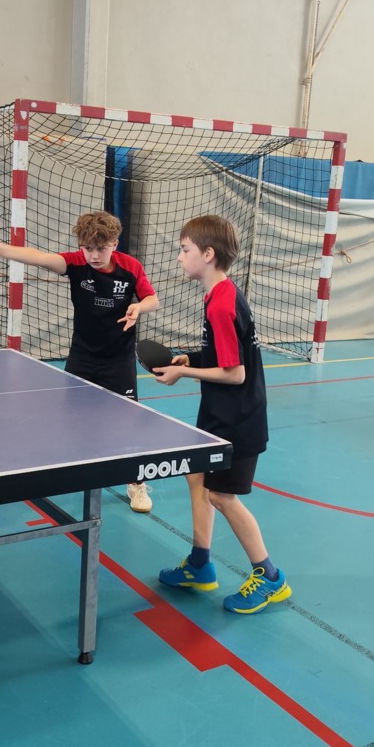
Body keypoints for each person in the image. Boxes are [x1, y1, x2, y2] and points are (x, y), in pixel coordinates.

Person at [0, 210, 159, 512]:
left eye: (101, 248)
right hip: (82, 357)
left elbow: (153, 298)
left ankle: (135, 482)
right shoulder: (75, 263)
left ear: (115, 243)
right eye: (88, 248)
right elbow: (38, 257)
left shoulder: (130, 267)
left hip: (119, 360)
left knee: (127, 424)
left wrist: (140, 307)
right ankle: (78, 470)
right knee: (73, 420)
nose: (94, 255)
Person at [152, 215, 290, 614]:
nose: (179, 257)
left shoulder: (222, 303)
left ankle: (270, 577)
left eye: (185, 250)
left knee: (221, 496)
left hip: (239, 419)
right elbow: (227, 353)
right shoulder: (219, 294)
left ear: (208, 254)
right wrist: (192, 358)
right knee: (196, 475)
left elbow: (235, 373)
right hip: (219, 412)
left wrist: (183, 372)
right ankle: (200, 564)